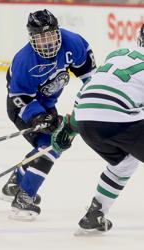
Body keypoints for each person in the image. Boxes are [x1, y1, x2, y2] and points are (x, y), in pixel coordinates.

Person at [0, 9, 96, 220]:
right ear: (32, 38)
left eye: (50, 34)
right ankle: (24, 198)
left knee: (49, 145)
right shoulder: (24, 61)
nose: (47, 41)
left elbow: (91, 79)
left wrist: (94, 103)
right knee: (51, 146)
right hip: (24, 108)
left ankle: (16, 182)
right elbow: (20, 99)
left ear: (57, 31)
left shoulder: (74, 43)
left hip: (48, 106)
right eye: (40, 37)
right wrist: (37, 117)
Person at [51, 25, 144, 234]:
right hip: (118, 118)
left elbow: (90, 88)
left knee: (125, 162)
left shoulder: (119, 53)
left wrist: (72, 126)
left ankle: (95, 213)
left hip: (86, 118)